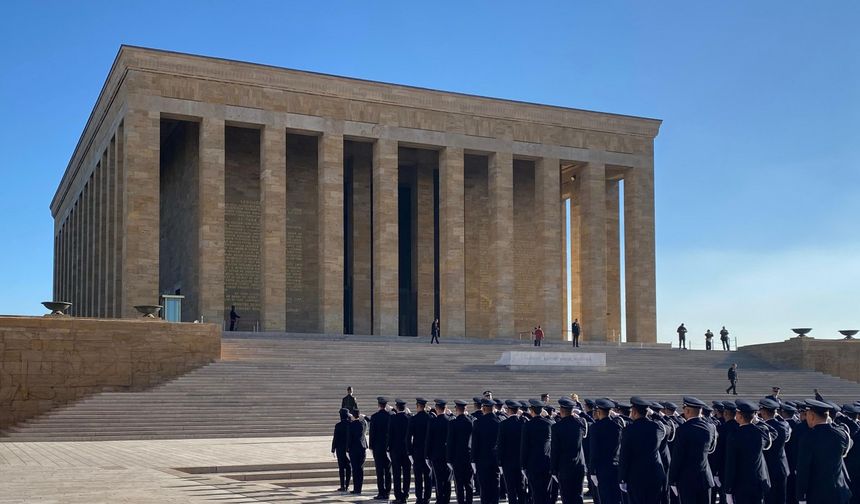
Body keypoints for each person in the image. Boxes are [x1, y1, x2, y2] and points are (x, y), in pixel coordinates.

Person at [794, 399, 853, 503]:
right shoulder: (841, 434)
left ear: (811, 415)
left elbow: (803, 470)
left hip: (818, 495)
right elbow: (849, 444)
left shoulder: (808, 438)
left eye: (807, 414)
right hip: (840, 492)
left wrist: (801, 496)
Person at [723, 400, 776, 504]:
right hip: (758, 482)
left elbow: (731, 464)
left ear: (740, 416)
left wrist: (728, 490)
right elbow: (774, 432)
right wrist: (758, 421)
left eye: (737, 413)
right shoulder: (760, 433)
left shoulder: (734, 435)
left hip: (741, 484)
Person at [668, 396, 717, 504]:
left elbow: (678, 457)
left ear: (688, 410)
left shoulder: (682, 430)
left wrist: (672, 479)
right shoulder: (710, 428)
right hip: (705, 478)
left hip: (687, 480)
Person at [619, 397, 668, 504]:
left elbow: (624, 455)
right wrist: (655, 414)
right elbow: (668, 426)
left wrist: (622, 478)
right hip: (655, 474)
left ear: (635, 412)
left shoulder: (628, 430)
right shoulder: (657, 428)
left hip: (636, 476)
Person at [550, 397, 587, 504]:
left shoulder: (557, 427)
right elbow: (588, 422)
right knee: (578, 496)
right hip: (579, 465)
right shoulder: (580, 424)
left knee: (566, 497)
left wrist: (553, 469)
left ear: (561, 411)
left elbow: (555, 450)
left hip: (564, 466)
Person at [589, 398, 624, 504]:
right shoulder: (617, 427)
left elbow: (594, 450)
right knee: (615, 498)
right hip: (615, 466)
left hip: (602, 468)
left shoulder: (595, 427)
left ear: (599, 412)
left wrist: (592, 471)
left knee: (605, 498)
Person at [521, 399, 554, 504]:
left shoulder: (528, 425)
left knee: (536, 492)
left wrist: (523, 465)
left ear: (531, 410)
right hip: (547, 462)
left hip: (533, 463)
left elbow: (524, 446)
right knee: (547, 492)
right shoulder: (549, 423)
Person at [759, 398, 790, 504]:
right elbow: (785, 423)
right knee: (781, 499)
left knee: (770, 499)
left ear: (763, 412)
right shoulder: (783, 426)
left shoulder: (763, 428)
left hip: (768, 469)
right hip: (782, 468)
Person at [497, 400, 527, 504]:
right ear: (518, 410)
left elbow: (500, 445)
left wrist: (499, 461)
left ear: (509, 410)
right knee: (521, 487)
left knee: (510, 489)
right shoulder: (523, 422)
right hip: (521, 460)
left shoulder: (503, 424)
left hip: (507, 461)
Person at [472, 398, 502, 504]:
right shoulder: (499, 422)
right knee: (495, 486)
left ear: (483, 409)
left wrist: (473, 460)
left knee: (484, 488)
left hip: (482, 460)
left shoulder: (478, 422)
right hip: (495, 460)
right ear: (493, 408)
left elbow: (475, 443)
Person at [428, 399, 454, 504]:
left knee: (438, 479)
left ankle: (440, 500)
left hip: (436, 455)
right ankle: (446, 499)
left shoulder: (433, 421)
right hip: (448, 455)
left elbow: (428, 440)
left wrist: (427, 455)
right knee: (447, 479)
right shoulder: (450, 421)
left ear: (437, 409)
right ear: (445, 408)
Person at [409, 398, 433, 504]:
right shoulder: (430, 418)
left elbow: (408, 437)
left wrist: (410, 452)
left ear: (418, 406)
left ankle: (419, 498)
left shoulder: (414, 419)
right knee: (428, 476)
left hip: (417, 452)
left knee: (418, 477)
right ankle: (427, 497)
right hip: (428, 452)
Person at [369, 397, 393, 501]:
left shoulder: (374, 417)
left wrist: (371, 447)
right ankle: (387, 492)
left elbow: (372, 433)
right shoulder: (390, 416)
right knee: (388, 471)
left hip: (377, 448)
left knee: (379, 471)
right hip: (387, 448)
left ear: (379, 405)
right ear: (385, 405)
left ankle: (381, 492)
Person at [388, 399, 412, 504]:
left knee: (397, 474)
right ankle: (405, 494)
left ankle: (398, 495)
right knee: (407, 473)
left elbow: (390, 435)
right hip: (407, 450)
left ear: (397, 407)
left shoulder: (393, 419)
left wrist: (388, 448)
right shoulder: (409, 418)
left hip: (395, 450)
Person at [348, 408, 369, 495]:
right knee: (360, 469)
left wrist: (347, 449)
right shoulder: (363, 424)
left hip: (353, 449)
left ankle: (356, 488)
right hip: (362, 448)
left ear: (352, 416)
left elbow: (349, 438)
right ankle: (359, 488)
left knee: (355, 469)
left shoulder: (351, 425)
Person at [332, 408, 352, 492]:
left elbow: (335, 438)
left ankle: (342, 486)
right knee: (348, 467)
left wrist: (333, 448)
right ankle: (347, 485)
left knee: (341, 468)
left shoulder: (338, 425)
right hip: (348, 449)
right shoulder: (350, 424)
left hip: (340, 449)